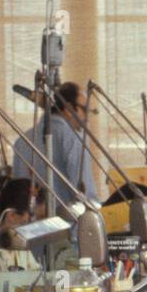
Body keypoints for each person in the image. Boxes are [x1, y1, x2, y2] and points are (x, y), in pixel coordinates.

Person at [10, 81, 93, 215]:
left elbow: (17, 193)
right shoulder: (74, 138)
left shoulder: (22, 141)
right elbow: (85, 194)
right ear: (69, 109)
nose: (87, 117)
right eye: (85, 110)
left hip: (31, 228)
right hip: (68, 227)